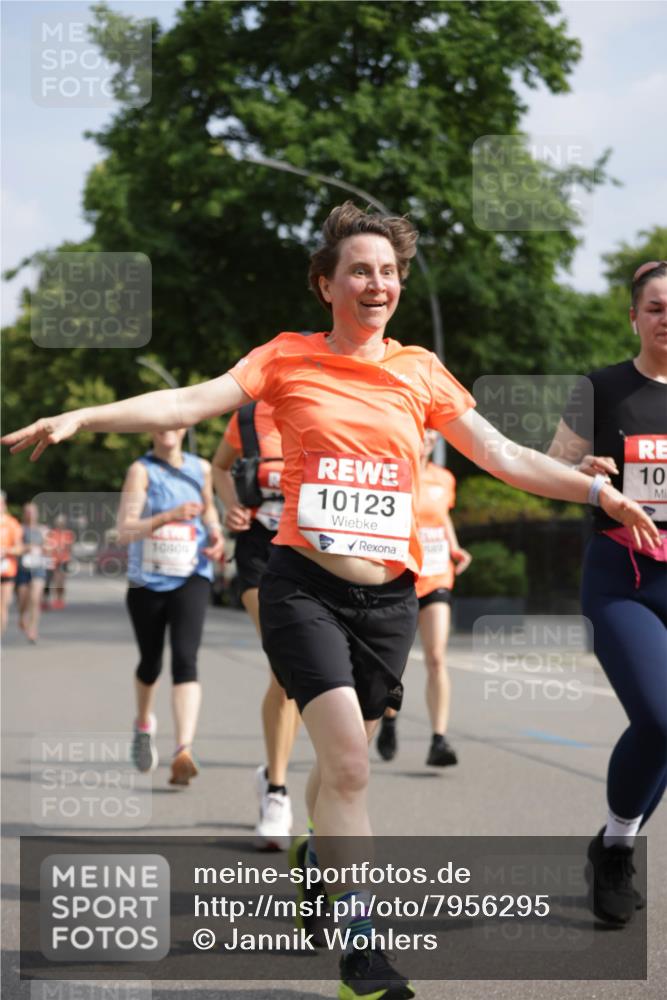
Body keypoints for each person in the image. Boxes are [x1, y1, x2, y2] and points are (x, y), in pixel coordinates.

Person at [3, 204, 659, 1000]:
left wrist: (596, 490)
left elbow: (504, 456)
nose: (375, 283)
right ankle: (362, 951)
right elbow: (184, 402)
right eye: (358, 269)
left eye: (387, 271)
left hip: (388, 600)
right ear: (326, 284)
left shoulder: (419, 370)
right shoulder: (285, 359)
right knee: (349, 762)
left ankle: (318, 854)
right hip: (300, 584)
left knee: (348, 758)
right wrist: (83, 415)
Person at [548, 259, 666, 927]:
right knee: (658, 716)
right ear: (633, 317)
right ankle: (619, 846)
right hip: (622, 575)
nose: (665, 319)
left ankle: (612, 843)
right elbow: (549, 464)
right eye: (654, 308)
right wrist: (583, 470)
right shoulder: (602, 388)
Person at [212, 400, 300, 850]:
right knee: (285, 670)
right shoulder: (247, 418)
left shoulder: (335, 405)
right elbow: (220, 468)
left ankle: (274, 771)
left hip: (313, 550)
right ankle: (277, 794)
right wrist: (229, 506)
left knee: (302, 676)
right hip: (259, 551)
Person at [115, 429, 224, 787]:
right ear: (150, 429)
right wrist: (169, 515)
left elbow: (209, 512)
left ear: (184, 429)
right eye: (160, 423)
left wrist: (215, 534)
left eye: (175, 423)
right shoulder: (141, 470)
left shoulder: (201, 468)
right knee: (151, 662)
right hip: (147, 580)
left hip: (191, 574)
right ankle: (144, 724)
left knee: (185, 659)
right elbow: (125, 530)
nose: (168, 429)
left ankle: (183, 750)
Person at [376, 429, 471, 767]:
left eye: (433, 432)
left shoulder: (444, 478)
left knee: (436, 657)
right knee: (393, 662)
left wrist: (455, 546)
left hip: (437, 574)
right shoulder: (391, 472)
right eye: (422, 431)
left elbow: (441, 515)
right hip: (399, 576)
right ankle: (388, 719)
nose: (428, 437)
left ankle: (439, 739)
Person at [15, 502, 50, 643]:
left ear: (37, 514)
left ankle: (33, 629)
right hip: (22, 569)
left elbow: (49, 546)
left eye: (33, 512)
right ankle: (22, 615)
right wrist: (26, 548)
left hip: (38, 568)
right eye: (28, 512)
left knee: (35, 599)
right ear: (24, 514)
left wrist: (46, 547)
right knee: (23, 599)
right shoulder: (19, 529)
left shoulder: (43, 529)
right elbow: (15, 546)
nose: (30, 514)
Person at [0, 491, 23, 635]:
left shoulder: (11, 523)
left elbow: (19, 548)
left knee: (2, 606)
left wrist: (6, 550)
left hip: (6, 570)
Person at [43, 513, 74, 610]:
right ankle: (50, 600)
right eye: (59, 522)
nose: (60, 524)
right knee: (52, 581)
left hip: (64, 560)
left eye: (62, 522)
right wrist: (52, 549)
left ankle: (60, 600)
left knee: (61, 581)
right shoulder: (52, 533)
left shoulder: (68, 534)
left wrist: (65, 549)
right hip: (53, 560)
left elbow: (70, 547)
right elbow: (48, 545)